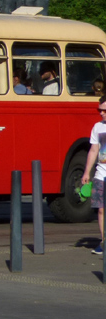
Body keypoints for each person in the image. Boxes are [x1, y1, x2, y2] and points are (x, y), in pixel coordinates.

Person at [81, 95, 106, 255]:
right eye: (100, 110)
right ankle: (104, 241)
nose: (101, 113)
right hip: (100, 174)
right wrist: (87, 172)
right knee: (101, 209)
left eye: (104, 110)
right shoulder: (97, 127)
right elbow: (94, 150)